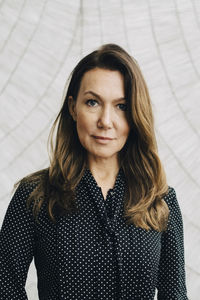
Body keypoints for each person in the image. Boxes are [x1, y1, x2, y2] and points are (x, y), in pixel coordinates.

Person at [0, 44, 188, 300]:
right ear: (72, 107)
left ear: (135, 114)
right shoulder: (35, 195)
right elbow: (5, 286)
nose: (106, 121)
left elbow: (174, 294)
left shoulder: (160, 201)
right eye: (92, 102)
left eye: (121, 106)